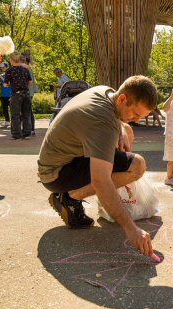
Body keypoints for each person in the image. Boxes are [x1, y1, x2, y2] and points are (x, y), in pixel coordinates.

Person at [38, 75, 158, 256]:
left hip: (60, 159)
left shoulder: (106, 91)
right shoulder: (102, 123)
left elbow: (115, 118)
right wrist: (131, 229)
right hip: (56, 174)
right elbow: (100, 180)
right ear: (122, 99)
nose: (136, 119)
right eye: (135, 114)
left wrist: (121, 128)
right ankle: (69, 198)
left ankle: (101, 197)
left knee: (127, 129)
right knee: (137, 166)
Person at [3, 51, 32, 140]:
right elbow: (30, 83)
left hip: (16, 94)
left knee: (15, 114)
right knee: (26, 114)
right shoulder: (25, 70)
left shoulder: (9, 70)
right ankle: (26, 134)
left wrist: (10, 84)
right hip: (26, 93)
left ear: (11, 60)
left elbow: (5, 84)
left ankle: (17, 134)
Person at [21, 52, 37, 136]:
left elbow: (28, 82)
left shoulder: (26, 69)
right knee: (28, 110)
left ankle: (30, 129)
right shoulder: (28, 68)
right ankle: (31, 129)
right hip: (29, 92)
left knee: (27, 111)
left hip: (27, 92)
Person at [0, 62, 11, 126]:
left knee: (12, 108)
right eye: (1, 68)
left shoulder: (9, 75)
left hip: (9, 94)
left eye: (3, 67)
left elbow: (8, 82)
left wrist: (0, 76)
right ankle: (7, 120)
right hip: (3, 94)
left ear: (7, 67)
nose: (2, 69)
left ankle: (15, 121)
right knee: (5, 108)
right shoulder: (2, 75)